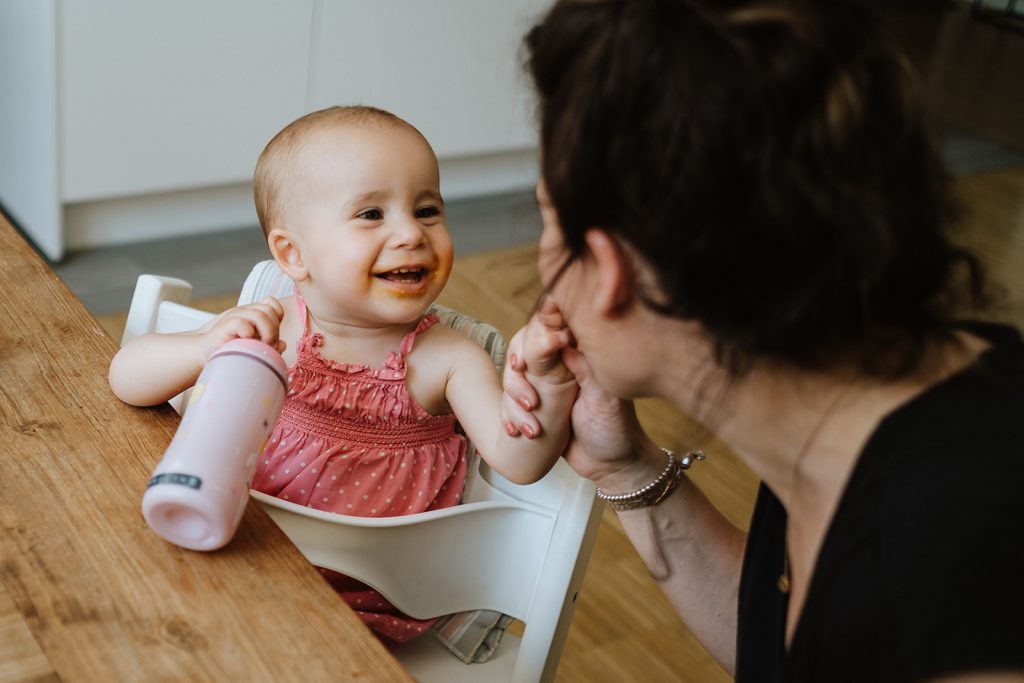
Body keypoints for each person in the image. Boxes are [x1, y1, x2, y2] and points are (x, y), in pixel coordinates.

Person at [501, 1, 1024, 681]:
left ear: (609, 269)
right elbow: (799, 648)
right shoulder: (867, 417)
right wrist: (627, 467)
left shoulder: (942, 561)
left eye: (549, 218)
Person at [109, 105, 577, 642]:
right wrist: (202, 348)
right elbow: (126, 377)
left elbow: (520, 462)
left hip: (365, 606)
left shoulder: (447, 360)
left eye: (427, 211)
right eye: (371, 214)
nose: (411, 234)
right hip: (231, 553)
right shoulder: (272, 327)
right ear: (293, 253)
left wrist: (547, 383)